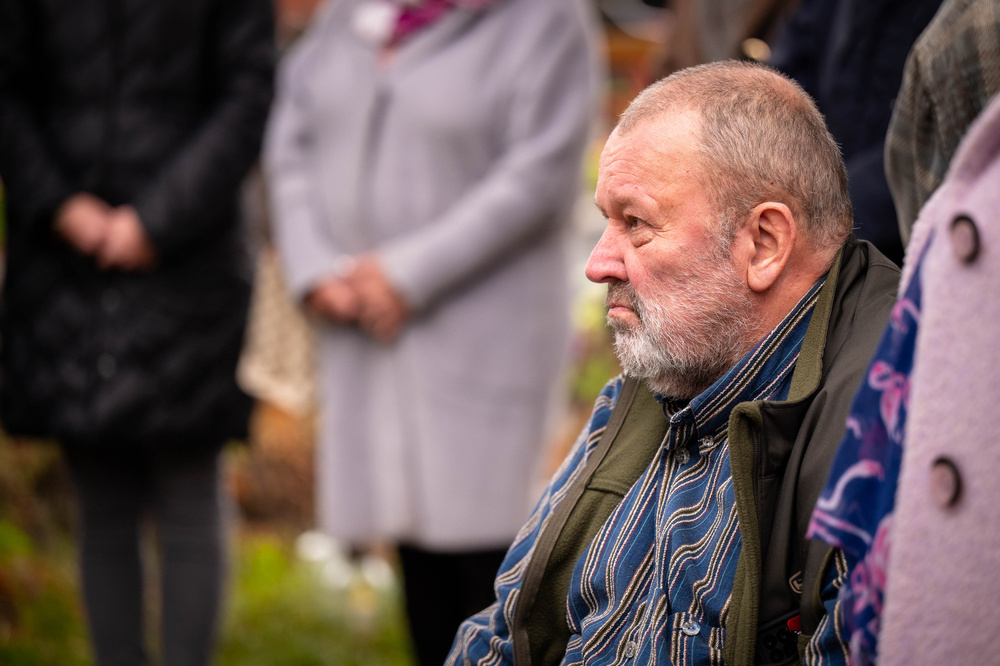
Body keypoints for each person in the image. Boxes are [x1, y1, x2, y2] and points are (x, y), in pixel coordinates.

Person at [447, 60, 899, 666]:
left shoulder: (885, 425)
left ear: (763, 243)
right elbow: (503, 632)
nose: (598, 264)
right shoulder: (667, 369)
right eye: (606, 221)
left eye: (635, 223)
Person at [263, 0, 602, 664]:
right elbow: (290, 143)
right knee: (412, 543)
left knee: (487, 558)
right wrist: (314, 267)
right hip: (361, 324)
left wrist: (406, 274)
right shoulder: (346, 17)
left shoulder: (547, 20)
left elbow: (541, 171)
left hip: (482, 328)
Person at [0, 2, 274, 665]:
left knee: (189, 484)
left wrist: (156, 220)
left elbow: (248, 91)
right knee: (100, 491)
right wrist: (62, 206)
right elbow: (7, 87)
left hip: (192, 256)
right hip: (65, 261)